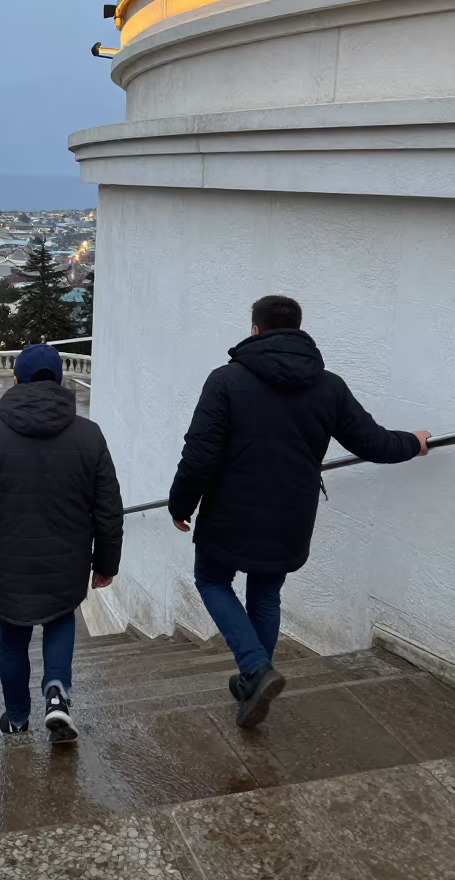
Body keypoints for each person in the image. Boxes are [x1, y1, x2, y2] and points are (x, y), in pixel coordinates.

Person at [168, 295, 429, 730]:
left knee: (212, 580)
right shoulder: (329, 386)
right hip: (291, 515)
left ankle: (254, 667)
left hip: (230, 512)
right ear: (299, 330)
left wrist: (180, 504)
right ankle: (255, 681)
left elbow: (200, 455)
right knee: (266, 595)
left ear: (255, 330)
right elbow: (374, 443)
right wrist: (414, 442)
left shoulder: (226, 380)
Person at [0, 343, 123, 743]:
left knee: (11, 636)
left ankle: (16, 719)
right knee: (61, 620)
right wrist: (106, 563)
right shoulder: (89, 434)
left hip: (6, 563)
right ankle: (57, 696)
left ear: (15, 381)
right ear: (61, 382)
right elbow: (108, 507)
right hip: (67, 560)